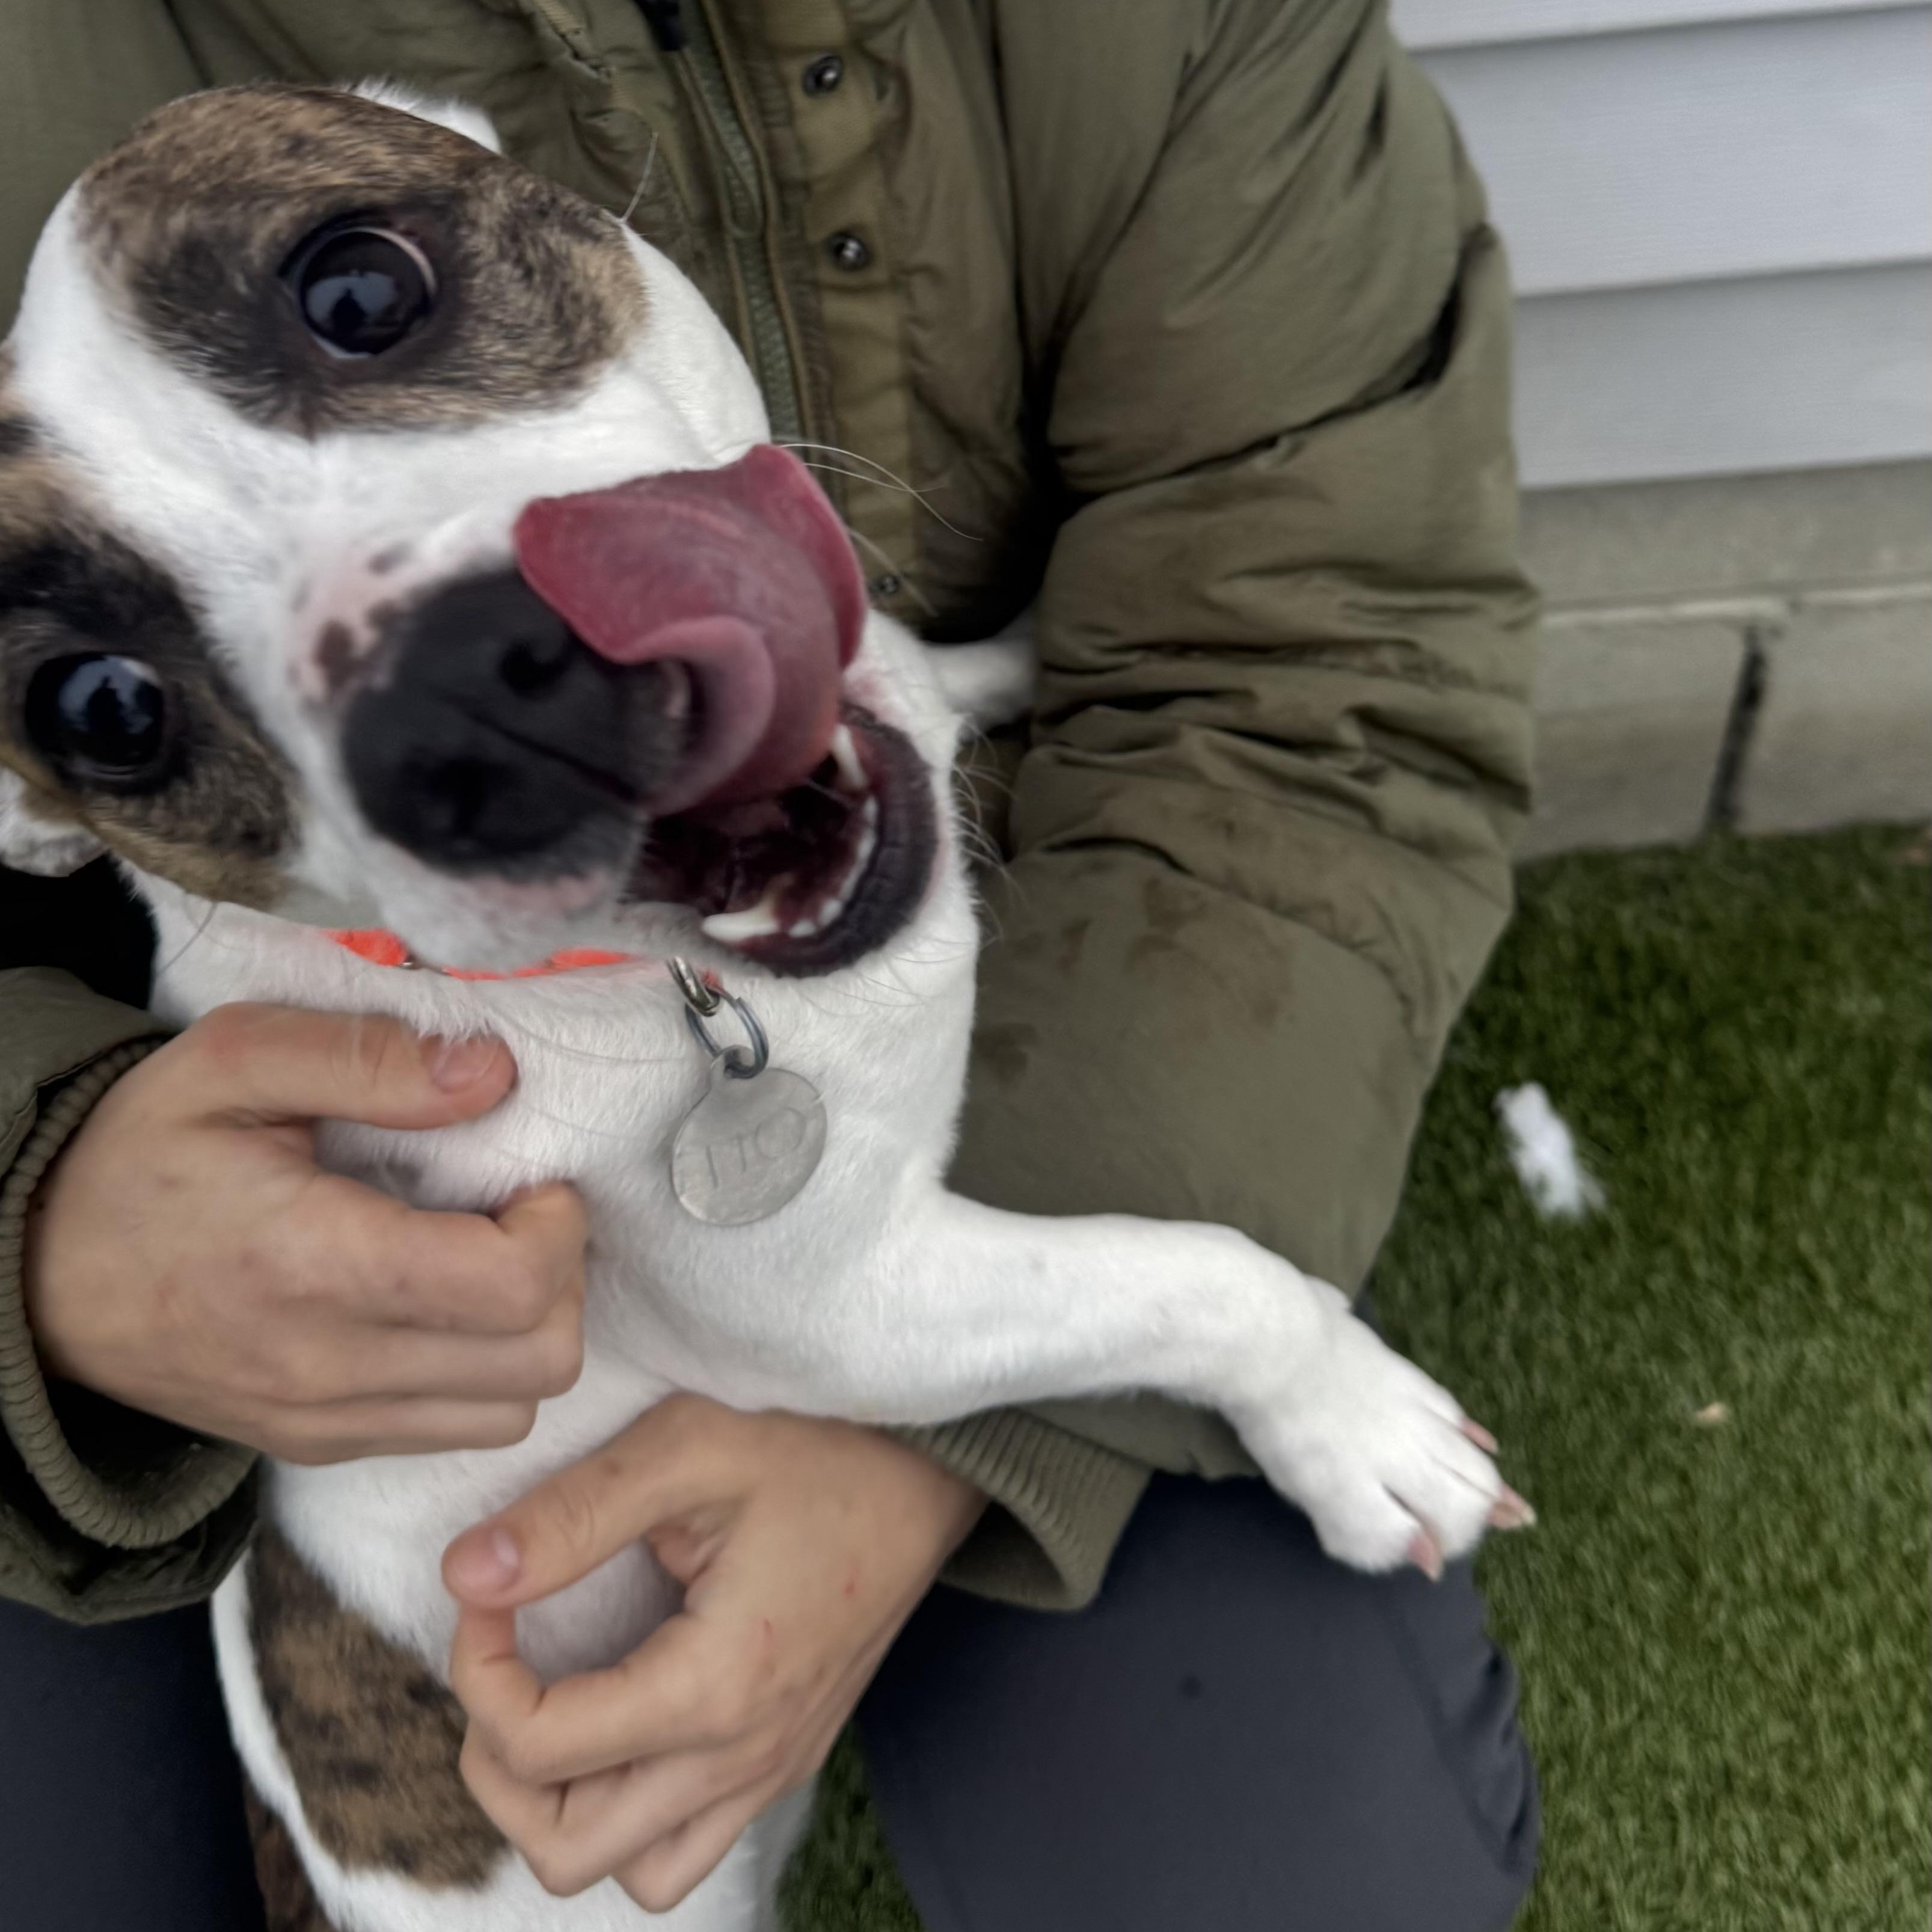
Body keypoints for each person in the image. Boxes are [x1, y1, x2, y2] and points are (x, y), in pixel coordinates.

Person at [0, 3, 1541, 1928]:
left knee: (1282, 1872)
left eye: (366, 303)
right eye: (111, 706)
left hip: (848, 1295)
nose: (433, 665)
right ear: (47, 816)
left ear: (449, 135)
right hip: (538, 1810)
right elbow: (825, 1308)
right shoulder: (416, 1072)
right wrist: (31, 1215)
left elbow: (1331, 650)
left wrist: (941, 1464)